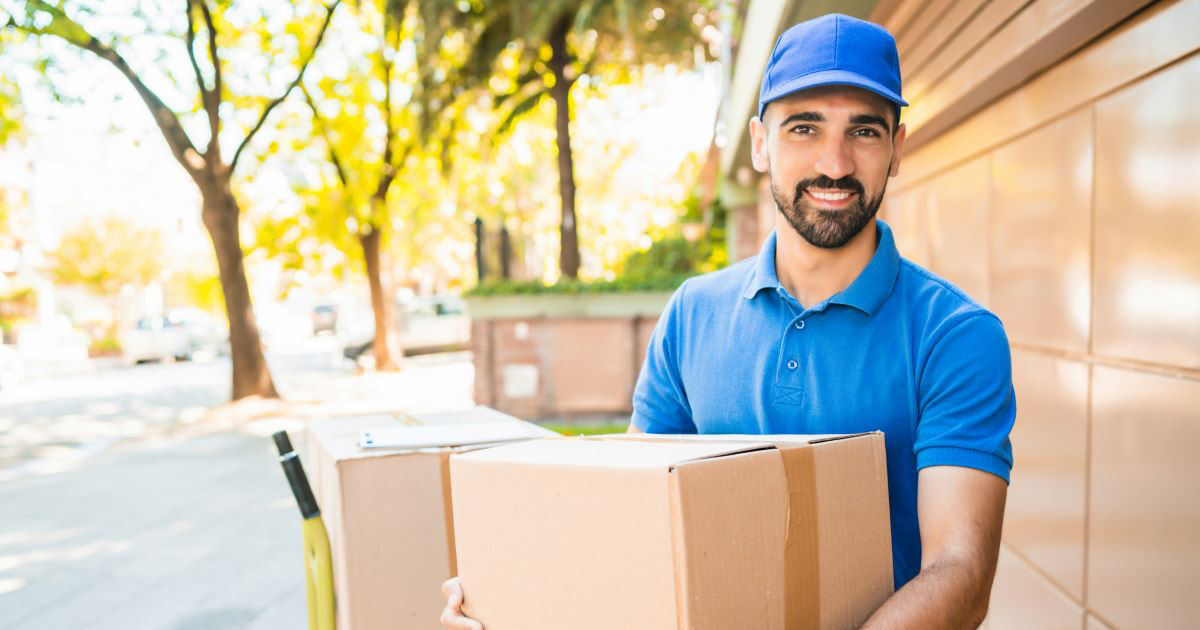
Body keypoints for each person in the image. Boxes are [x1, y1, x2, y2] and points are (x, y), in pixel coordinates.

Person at [442, 13, 1013, 630]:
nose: (836, 163)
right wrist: (510, 597)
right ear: (760, 143)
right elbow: (633, 520)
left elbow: (960, 571)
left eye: (865, 132)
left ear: (896, 149)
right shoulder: (693, 314)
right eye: (804, 127)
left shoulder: (955, 335)